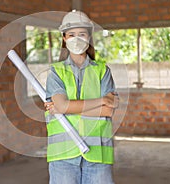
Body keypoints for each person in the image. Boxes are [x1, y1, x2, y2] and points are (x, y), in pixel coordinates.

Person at [44, 10, 119, 184]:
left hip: (97, 155)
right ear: (64, 38)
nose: (76, 38)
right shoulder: (56, 71)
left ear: (89, 37)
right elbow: (62, 106)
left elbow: (108, 111)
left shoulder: (102, 71)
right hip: (63, 156)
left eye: (82, 34)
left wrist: (66, 109)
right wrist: (100, 101)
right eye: (71, 34)